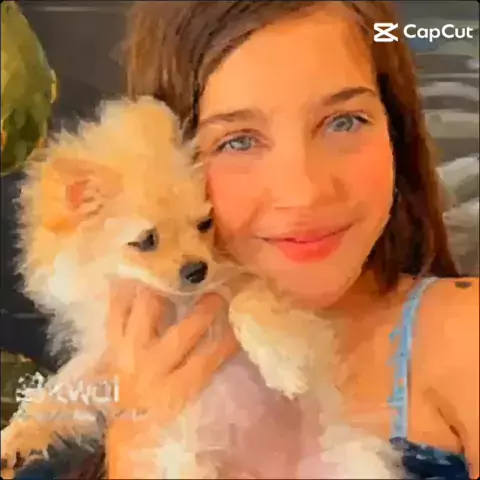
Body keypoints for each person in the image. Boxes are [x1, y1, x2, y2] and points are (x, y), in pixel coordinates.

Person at [104, 1, 479, 479]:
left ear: (395, 128)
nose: (305, 192)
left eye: (344, 121)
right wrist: (133, 449)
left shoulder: (464, 337)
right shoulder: (109, 381)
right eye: (238, 141)